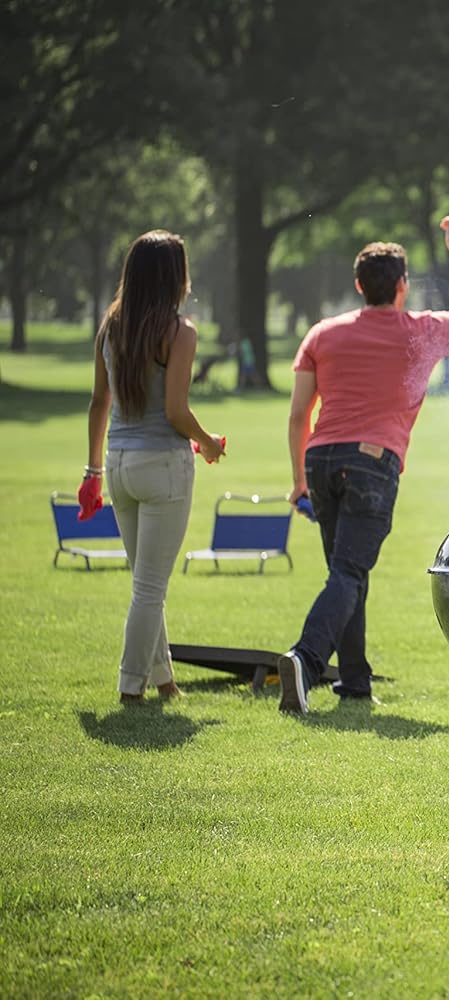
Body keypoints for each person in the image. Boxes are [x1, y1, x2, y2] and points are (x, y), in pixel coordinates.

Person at [278, 217, 449, 714]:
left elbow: (297, 415)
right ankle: (306, 660)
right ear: (402, 286)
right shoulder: (423, 330)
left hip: (320, 459)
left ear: (359, 286)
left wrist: (298, 481)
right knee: (349, 571)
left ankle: (354, 680)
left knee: (345, 571)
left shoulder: (323, 334)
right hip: (372, 463)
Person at [82, 230, 226, 704]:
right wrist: (208, 443)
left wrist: (92, 472)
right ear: (175, 277)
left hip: (118, 465)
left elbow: (99, 403)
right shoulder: (180, 331)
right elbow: (175, 412)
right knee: (149, 588)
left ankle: (165, 683)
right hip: (162, 466)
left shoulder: (110, 327)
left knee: (146, 583)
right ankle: (131, 688)